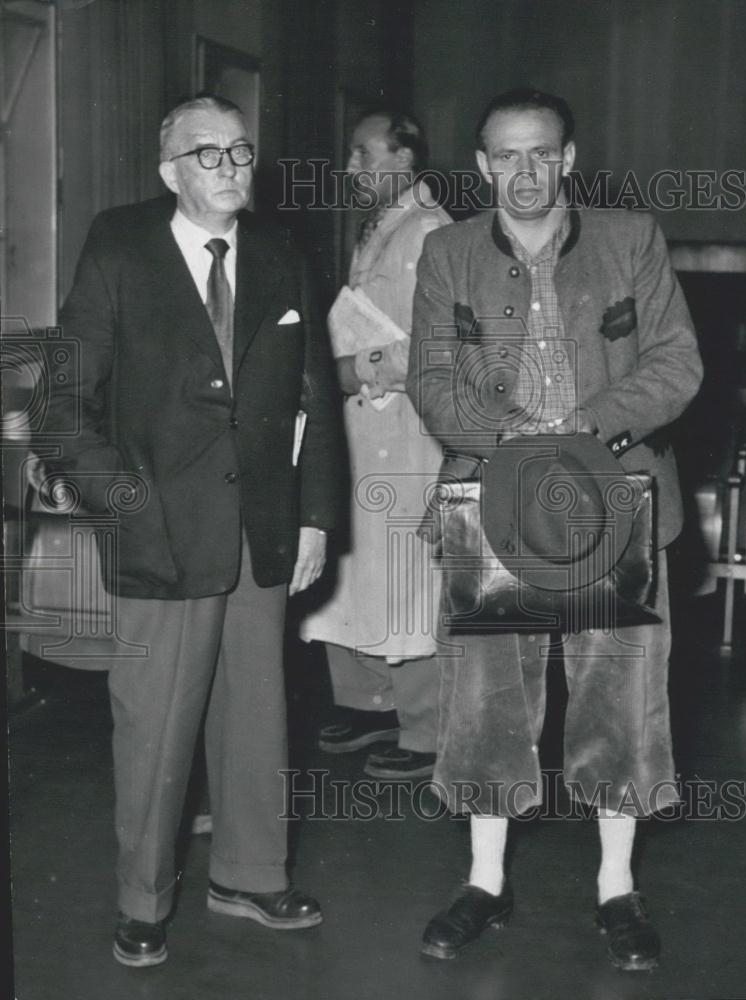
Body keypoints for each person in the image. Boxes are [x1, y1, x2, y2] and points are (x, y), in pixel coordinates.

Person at [42, 95, 343, 967]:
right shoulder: (118, 243)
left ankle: (249, 872)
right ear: (169, 170)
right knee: (154, 719)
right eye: (207, 153)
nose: (231, 165)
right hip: (161, 526)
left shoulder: (284, 251)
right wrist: (121, 498)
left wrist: (318, 514)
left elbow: (314, 397)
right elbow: (61, 399)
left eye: (241, 150)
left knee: (257, 709)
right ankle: (144, 898)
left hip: (262, 525)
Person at [407, 88, 703, 967]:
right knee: (486, 704)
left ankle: (616, 888)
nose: (524, 172)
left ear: (569, 158)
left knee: (619, 705)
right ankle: (484, 884)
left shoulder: (629, 239)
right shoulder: (445, 253)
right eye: (506, 156)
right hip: (489, 497)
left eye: (541, 154)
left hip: (612, 493)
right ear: (480, 165)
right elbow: (431, 382)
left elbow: (675, 360)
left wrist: (588, 425)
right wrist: (504, 437)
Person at [300, 111, 450, 779]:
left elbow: (429, 349)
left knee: (407, 574)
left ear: (405, 157)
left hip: (405, 431)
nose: (352, 168)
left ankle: (425, 729)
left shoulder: (431, 233)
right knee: (353, 565)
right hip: (359, 427)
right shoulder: (380, 229)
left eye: (364, 154)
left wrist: (347, 369)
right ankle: (368, 703)